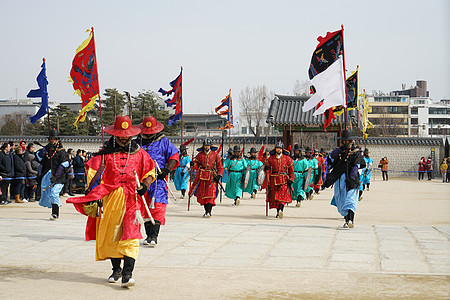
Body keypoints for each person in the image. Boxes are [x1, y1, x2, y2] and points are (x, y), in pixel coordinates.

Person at [67, 115, 156, 288]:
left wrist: (145, 185)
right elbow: (92, 175)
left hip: (132, 199)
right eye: (120, 135)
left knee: (131, 235)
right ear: (115, 134)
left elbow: (150, 171)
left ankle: (128, 274)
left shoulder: (140, 153)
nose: (124, 138)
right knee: (111, 235)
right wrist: (95, 197)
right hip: (110, 198)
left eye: (127, 135)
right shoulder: (104, 154)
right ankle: (116, 270)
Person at [135, 116, 179, 247]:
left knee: (158, 206)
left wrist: (167, 169)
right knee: (143, 206)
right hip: (140, 179)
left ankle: (154, 236)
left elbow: (174, 156)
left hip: (157, 178)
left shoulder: (163, 141)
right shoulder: (136, 142)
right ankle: (148, 236)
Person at [323, 130, 366, 228]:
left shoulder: (355, 153)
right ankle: (347, 220)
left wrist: (351, 177)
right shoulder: (338, 153)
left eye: (348, 141)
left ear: (351, 141)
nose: (346, 143)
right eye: (344, 141)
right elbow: (330, 158)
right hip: (339, 180)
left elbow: (356, 166)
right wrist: (340, 149)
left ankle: (351, 220)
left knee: (350, 200)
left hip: (352, 180)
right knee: (341, 201)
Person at [36, 129, 69, 220]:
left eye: (54, 139)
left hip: (59, 176)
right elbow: (38, 156)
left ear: (57, 140)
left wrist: (56, 176)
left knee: (54, 193)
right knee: (48, 193)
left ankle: (55, 213)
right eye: (50, 139)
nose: (52, 140)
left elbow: (64, 164)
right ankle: (53, 211)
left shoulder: (61, 151)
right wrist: (46, 148)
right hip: (47, 175)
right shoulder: (47, 150)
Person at [189, 138, 223, 218]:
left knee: (211, 194)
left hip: (212, 176)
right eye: (205, 146)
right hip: (202, 176)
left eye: (208, 146)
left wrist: (219, 175)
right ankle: (205, 211)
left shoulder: (215, 155)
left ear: (210, 146)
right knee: (203, 194)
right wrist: (193, 164)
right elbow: (196, 165)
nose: (207, 147)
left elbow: (220, 166)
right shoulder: (200, 155)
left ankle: (209, 211)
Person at [264, 141, 294, 219]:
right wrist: (266, 168)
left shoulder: (287, 158)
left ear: (282, 149)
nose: (278, 150)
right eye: (277, 148)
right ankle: (278, 212)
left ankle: (281, 210)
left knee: (282, 196)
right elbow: (267, 169)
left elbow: (291, 170)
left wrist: (291, 178)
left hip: (284, 180)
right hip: (273, 179)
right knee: (275, 197)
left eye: (280, 148)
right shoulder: (270, 158)